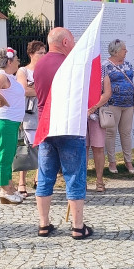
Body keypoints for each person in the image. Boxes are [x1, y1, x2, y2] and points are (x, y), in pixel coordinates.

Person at [34, 27, 93, 238]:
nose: (75, 44)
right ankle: (78, 227)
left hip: (46, 128)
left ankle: (44, 224)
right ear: (65, 43)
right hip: (69, 127)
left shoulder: (38, 64)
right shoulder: (70, 65)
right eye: (73, 41)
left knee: (45, 177)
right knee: (75, 176)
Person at [0, 47, 32, 204]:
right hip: (4, 122)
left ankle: (9, 187)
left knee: (9, 154)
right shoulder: (3, 76)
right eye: (17, 58)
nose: (19, 60)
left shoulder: (9, 78)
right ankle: (5, 188)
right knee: (5, 156)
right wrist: (2, 100)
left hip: (10, 122)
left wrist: (1, 99)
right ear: (10, 61)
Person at [101, 39, 134, 175]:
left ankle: (128, 161)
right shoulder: (105, 65)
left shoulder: (127, 64)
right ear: (116, 51)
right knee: (111, 133)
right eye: (124, 49)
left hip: (128, 104)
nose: (126, 51)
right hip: (112, 103)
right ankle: (112, 162)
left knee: (126, 132)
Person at [16, 41, 46, 196]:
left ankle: (38, 178)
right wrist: (39, 90)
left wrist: (34, 89)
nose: (43, 55)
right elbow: (23, 90)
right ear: (31, 54)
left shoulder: (46, 70)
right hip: (29, 113)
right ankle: (22, 181)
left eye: (44, 52)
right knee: (27, 147)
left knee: (43, 147)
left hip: (44, 112)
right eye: (40, 52)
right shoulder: (23, 71)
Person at [86, 73, 113, 192]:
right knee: (82, 148)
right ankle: (82, 182)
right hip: (79, 115)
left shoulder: (102, 70)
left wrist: (94, 107)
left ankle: (99, 181)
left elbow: (107, 93)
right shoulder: (77, 67)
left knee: (98, 148)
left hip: (97, 114)